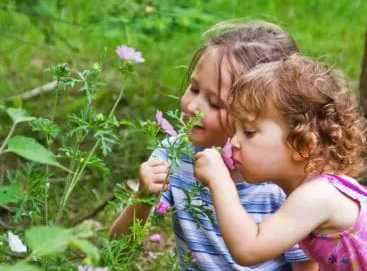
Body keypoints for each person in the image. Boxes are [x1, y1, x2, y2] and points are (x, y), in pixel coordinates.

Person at [110, 20, 318, 270]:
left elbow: (304, 264)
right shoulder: (174, 157)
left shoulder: (280, 179)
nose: (193, 106)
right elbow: (118, 249)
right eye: (194, 88)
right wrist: (143, 199)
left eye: (215, 104)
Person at [194, 54, 367, 270]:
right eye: (235, 130)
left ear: (302, 146)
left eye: (248, 132)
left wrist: (219, 181)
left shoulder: (317, 195)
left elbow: (249, 250)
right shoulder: (320, 190)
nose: (234, 142)